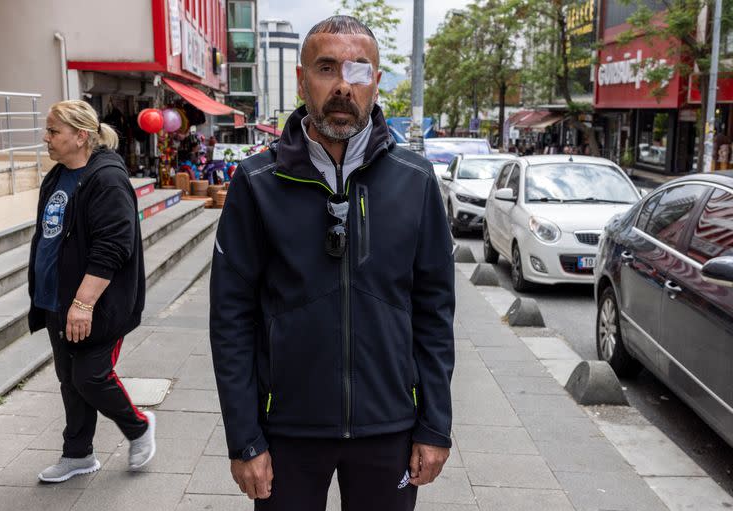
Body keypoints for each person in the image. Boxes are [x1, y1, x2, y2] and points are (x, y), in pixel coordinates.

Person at [210, 15, 455, 511]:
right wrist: (244, 438)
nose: (344, 85)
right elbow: (231, 319)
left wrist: (434, 425)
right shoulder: (257, 183)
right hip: (287, 431)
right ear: (302, 80)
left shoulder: (417, 180)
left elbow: (434, 313)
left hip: (389, 427)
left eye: (359, 71)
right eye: (326, 68)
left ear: (376, 83)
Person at [28, 100, 156, 483]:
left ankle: (139, 427)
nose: (46, 138)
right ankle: (78, 453)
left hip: (96, 306)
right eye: (48, 130)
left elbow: (113, 248)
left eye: (53, 131)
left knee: (91, 377)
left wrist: (83, 304)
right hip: (56, 301)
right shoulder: (57, 176)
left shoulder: (107, 179)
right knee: (70, 379)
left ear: (80, 136)